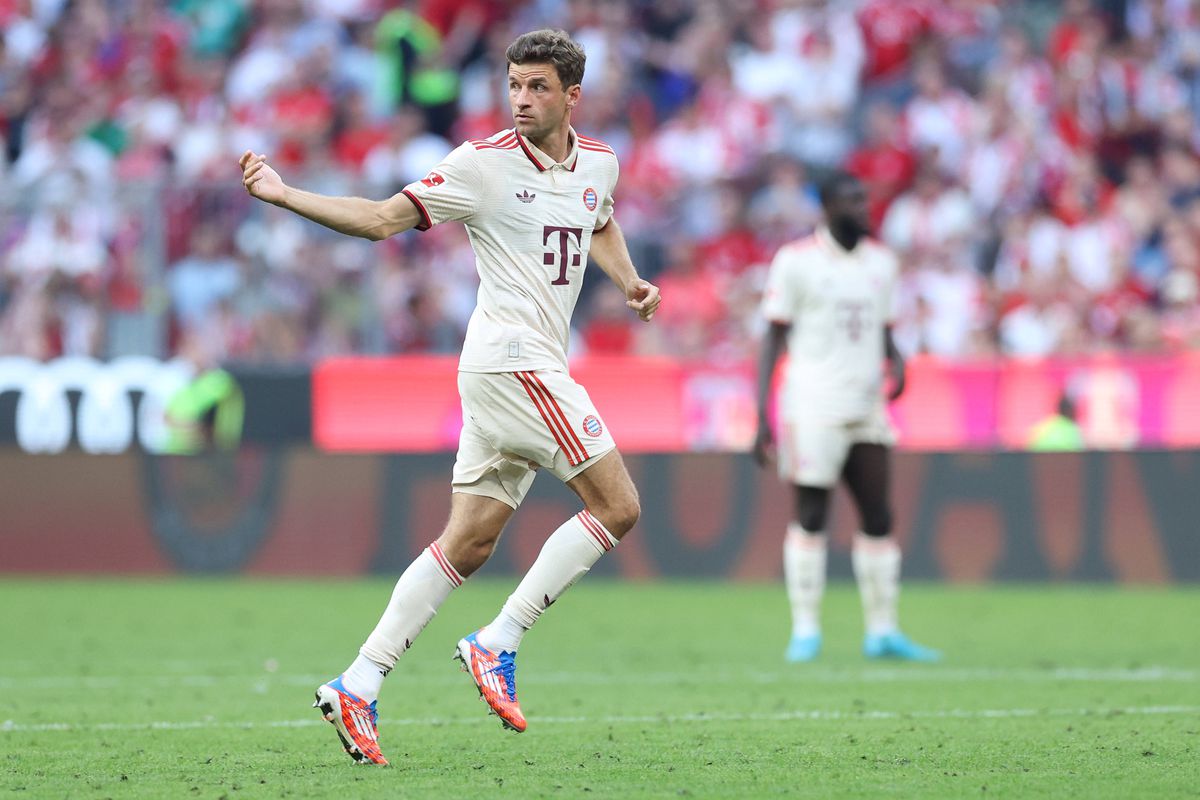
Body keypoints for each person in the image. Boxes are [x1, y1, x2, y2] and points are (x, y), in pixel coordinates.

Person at [239, 29, 661, 765]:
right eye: (514, 85)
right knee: (618, 505)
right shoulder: (482, 165)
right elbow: (378, 220)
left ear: (571, 95)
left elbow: (602, 217)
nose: (522, 100)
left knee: (468, 541)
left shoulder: (599, 161)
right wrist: (282, 194)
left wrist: (626, 281)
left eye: (537, 87)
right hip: (512, 365)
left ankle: (359, 682)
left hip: (517, 370)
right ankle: (498, 640)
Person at [753, 171, 940, 664]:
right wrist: (762, 414)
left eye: (865, 199)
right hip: (812, 405)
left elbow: (881, 328)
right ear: (829, 208)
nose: (865, 208)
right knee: (812, 515)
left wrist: (896, 360)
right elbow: (773, 337)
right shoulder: (796, 262)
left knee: (879, 514)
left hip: (867, 405)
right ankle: (806, 631)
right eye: (854, 200)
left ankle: (882, 631)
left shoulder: (882, 263)